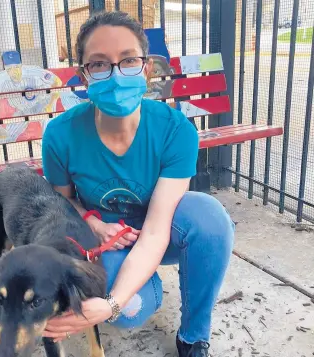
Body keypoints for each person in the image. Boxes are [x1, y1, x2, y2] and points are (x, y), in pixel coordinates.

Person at [41, 11, 235, 357]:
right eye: (99, 64)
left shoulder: (175, 131)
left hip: (163, 229)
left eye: (128, 60)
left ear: (146, 69)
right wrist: (92, 221)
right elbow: (60, 202)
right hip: (107, 241)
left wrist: (110, 303)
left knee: (208, 218)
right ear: (83, 76)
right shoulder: (60, 134)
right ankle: (141, 283)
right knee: (129, 312)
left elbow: (158, 231)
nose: (116, 75)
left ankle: (193, 336)